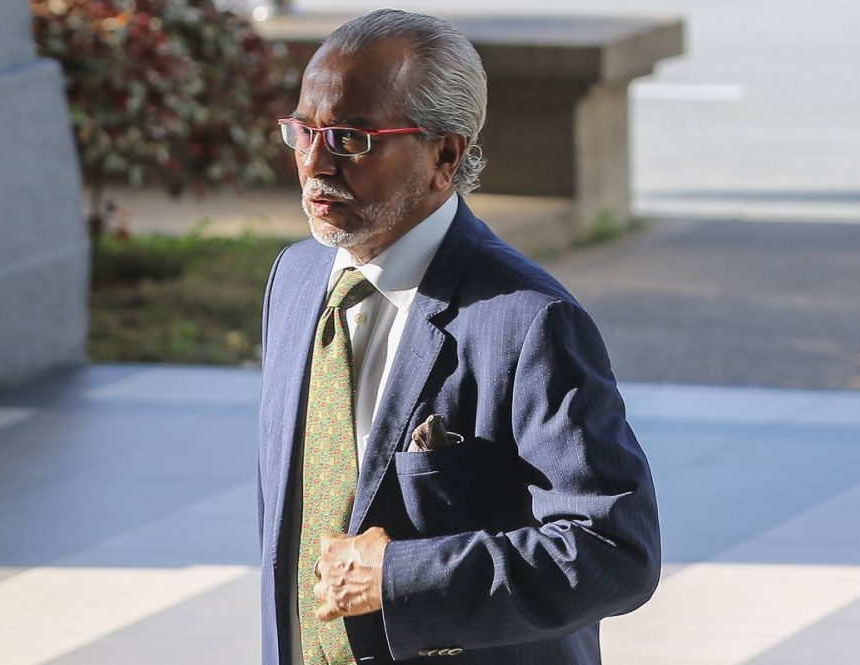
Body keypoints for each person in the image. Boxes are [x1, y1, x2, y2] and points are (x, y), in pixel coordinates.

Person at [257, 9, 661, 664]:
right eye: (304, 130)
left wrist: (400, 576)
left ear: (445, 153)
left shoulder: (528, 321)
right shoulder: (296, 277)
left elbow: (616, 550)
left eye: (352, 139)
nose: (314, 162)